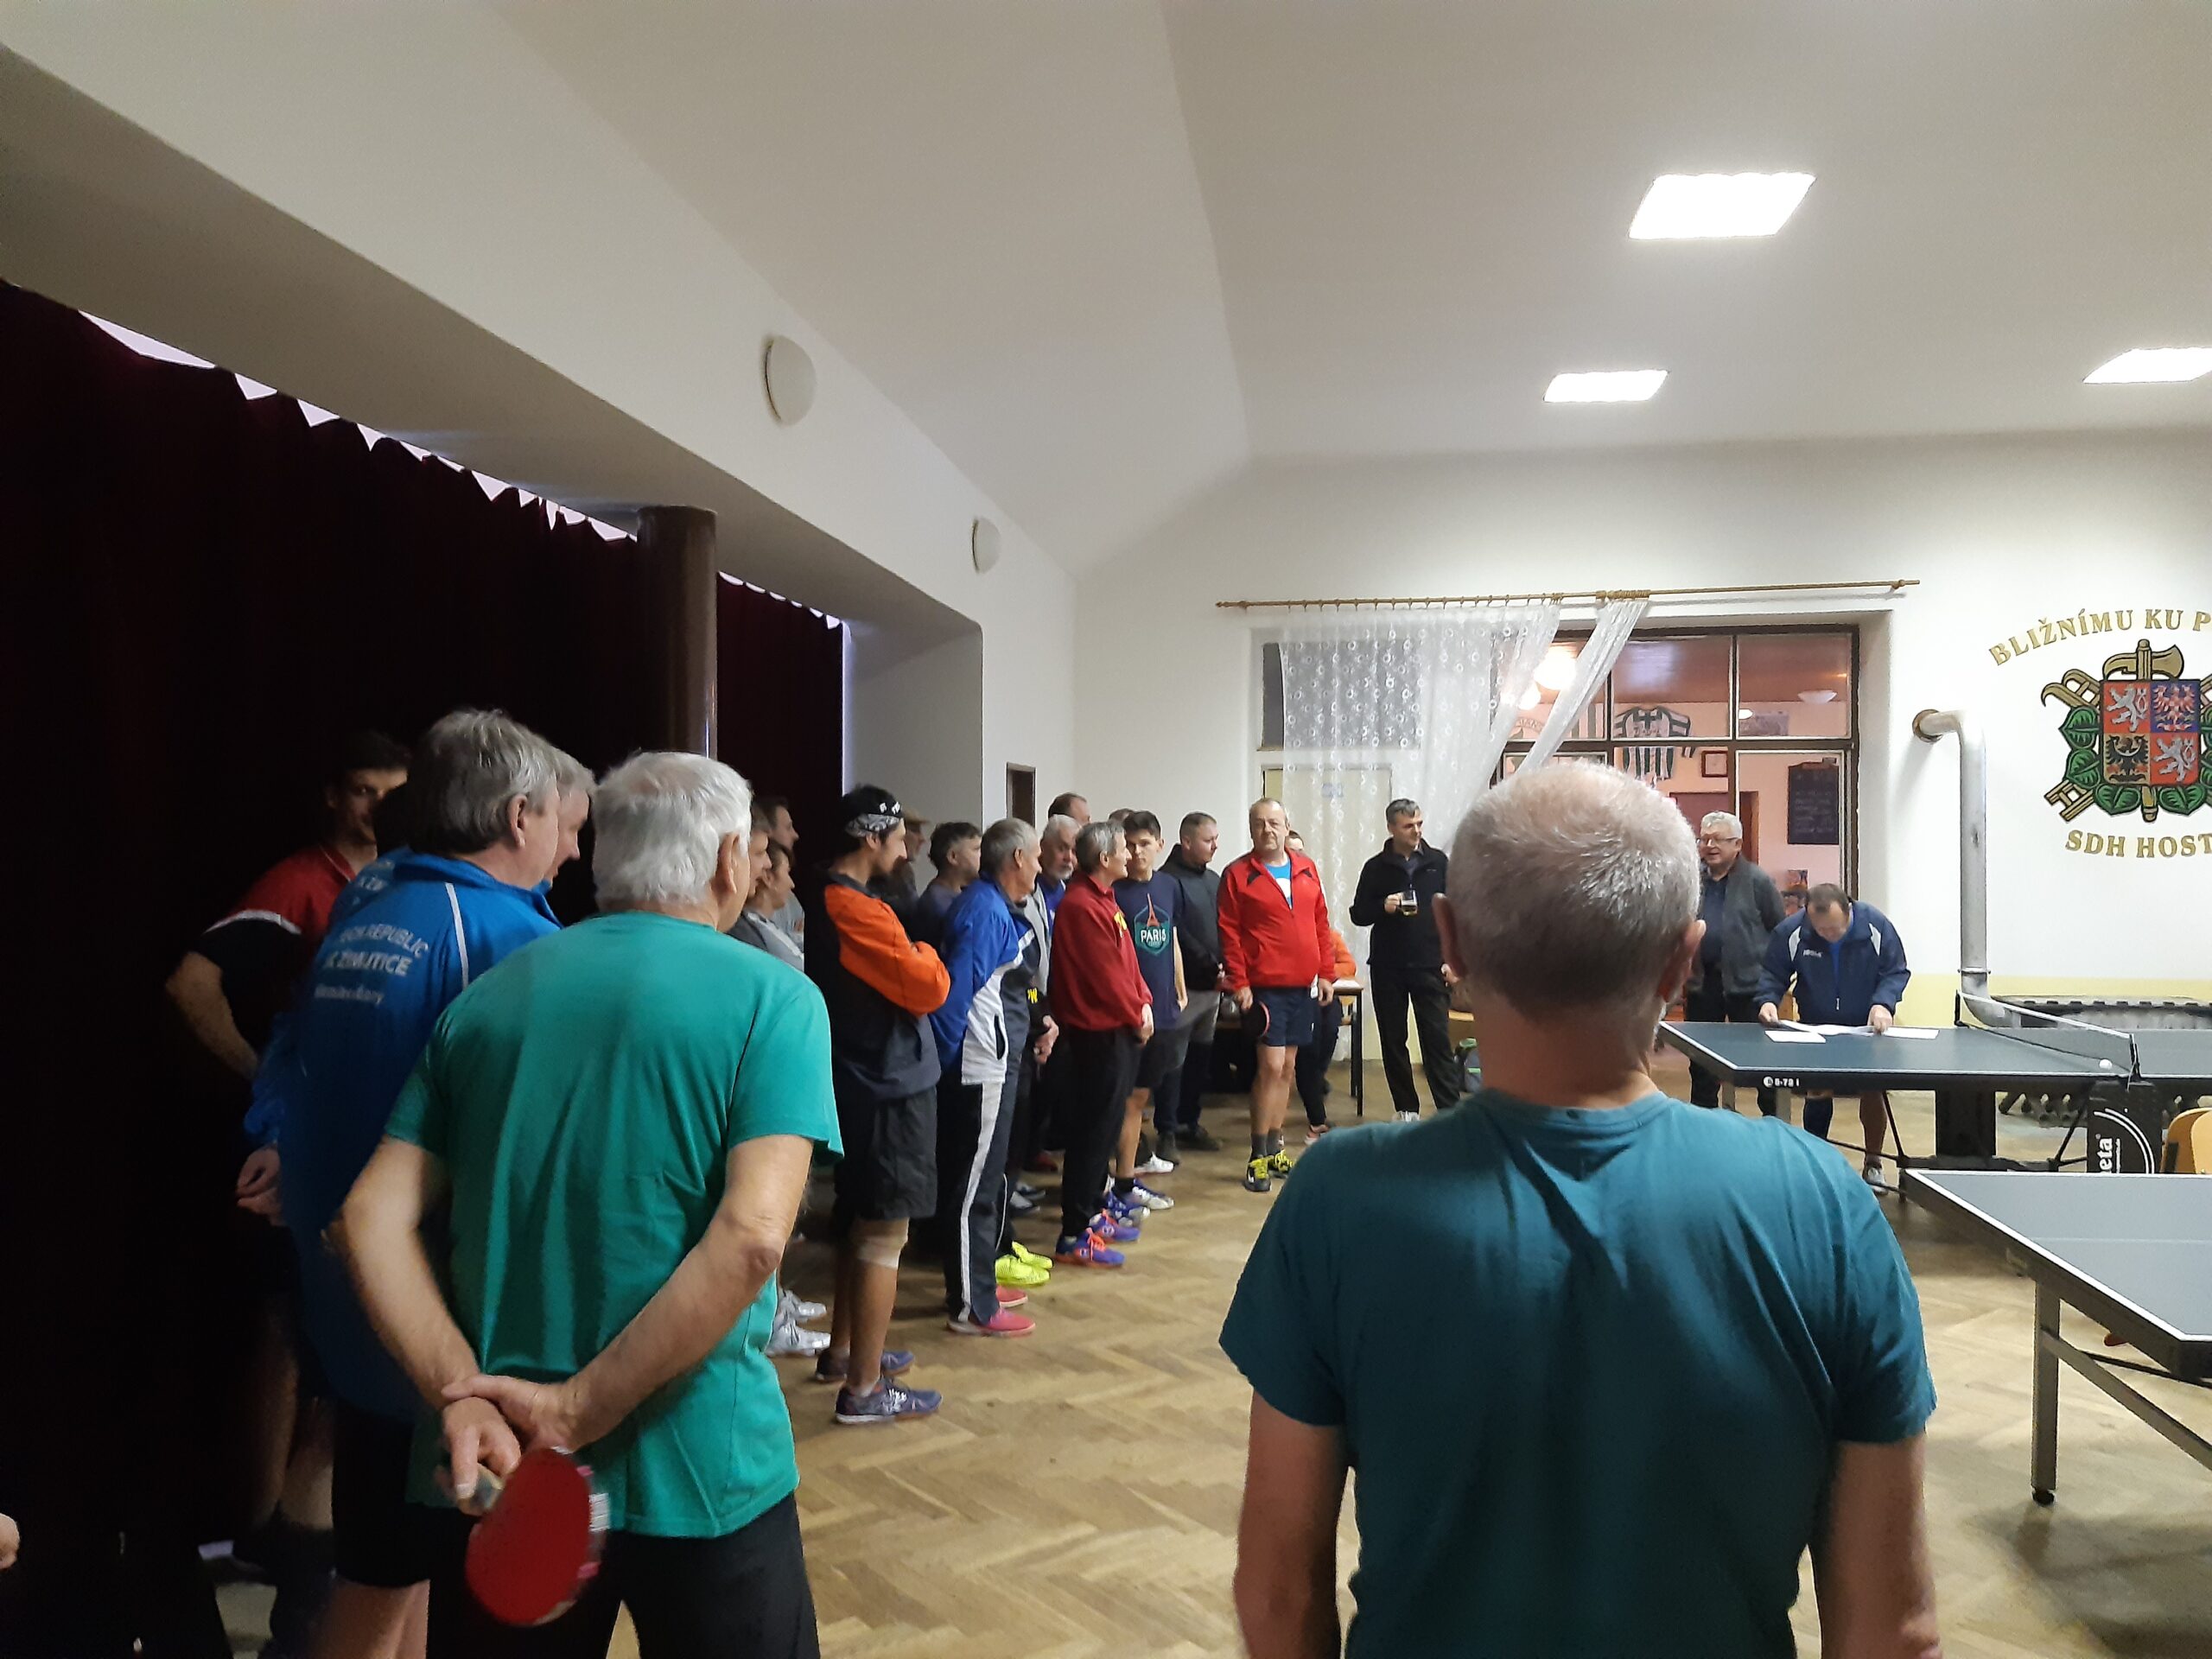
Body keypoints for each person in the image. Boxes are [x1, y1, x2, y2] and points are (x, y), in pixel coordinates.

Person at [1221, 763, 1940, 1658]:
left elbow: (1278, 1594)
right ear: (1682, 958)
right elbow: (1893, 1632)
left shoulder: (1338, 1197)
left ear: (1451, 940)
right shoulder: (1822, 1202)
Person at [339, 751, 837, 1658]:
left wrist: (459, 1395)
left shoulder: (487, 999)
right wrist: (574, 1410)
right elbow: (754, 1239)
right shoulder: (777, 999)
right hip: (705, 1467)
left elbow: (367, 1217)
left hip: (502, 1464)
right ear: (731, 859)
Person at [278, 710, 572, 1659]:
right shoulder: (502, 937)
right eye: (563, 823)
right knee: (386, 1579)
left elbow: (294, 1055)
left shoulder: (370, 903)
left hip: (348, 1292)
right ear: (519, 816)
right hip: (433, 1312)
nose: (572, 849)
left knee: (395, 1573)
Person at [804, 785, 951, 1423]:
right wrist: (927, 953)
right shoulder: (854, 907)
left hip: (869, 1077)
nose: (907, 849)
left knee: (860, 1221)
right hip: (886, 1083)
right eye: (899, 838)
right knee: (885, 1230)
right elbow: (928, 987)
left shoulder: (844, 898)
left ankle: (845, 1351)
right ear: (870, 838)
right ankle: (864, 1389)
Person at [168, 730, 411, 1084]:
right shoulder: (296, 885)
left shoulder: (411, 877)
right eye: (364, 791)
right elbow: (189, 984)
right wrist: (262, 1077)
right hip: (318, 1092)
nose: (379, 807)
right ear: (333, 797)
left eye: (394, 795)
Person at [930, 818, 1046, 1337]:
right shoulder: (983, 910)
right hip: (978, 1066)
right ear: (1017, 858)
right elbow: (956, 994)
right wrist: (942, 1061)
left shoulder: (994, 906)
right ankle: (969, 1306)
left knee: (988, 1181)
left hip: (994, 1063)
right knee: (971, 1187)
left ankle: (979, 1283)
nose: (1039, 867)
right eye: (1036, 857)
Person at [1046, 821, 1154, 1268]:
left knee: (1106, 1129)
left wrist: (1144, 1001)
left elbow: (1128, 963)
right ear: (1104, 858)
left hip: (1118, 1030)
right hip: (1097, 1036)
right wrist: (1134, 1012)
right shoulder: (1081, 905)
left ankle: (1092, 1213)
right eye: (1124, 849)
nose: (1130, 855)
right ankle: (1074, 1232)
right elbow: (1105, 976)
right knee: (1091, 1135)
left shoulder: (1104, 899)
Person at [1757, 885, 1913, 1188]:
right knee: (1817, 1090)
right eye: (1821, 930)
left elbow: (1896, 971)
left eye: (1835, 929)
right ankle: (1816, 1163)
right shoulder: (1793, 931)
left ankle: (1873, 1163)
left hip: (1866, 1026)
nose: (1828, 935)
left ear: (1848, 911)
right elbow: (1773, 973)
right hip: (1816, 1026)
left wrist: (1884, 1003)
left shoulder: (1875, 926)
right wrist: (1767, 1001)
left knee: (1872, 1092)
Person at [1216, 799, 1335, 1193]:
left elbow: (1321, 923)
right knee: (1269, 1067)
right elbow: (1229, 933)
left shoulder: (1306, 868)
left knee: (1287, 1069)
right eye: (1259, 824)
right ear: (1251, 829)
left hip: (1302, 987)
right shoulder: (1237, 875)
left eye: (1274, 823)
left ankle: (1275, 1146)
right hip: (1264, 988)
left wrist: (1327, 973)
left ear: (1287, 826)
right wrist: (1240, 982)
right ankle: (1257, 1156)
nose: (1267, 830)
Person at [1347, 798, 1459, 1121]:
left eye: (1419, 824)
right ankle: (1406, 1109)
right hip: (1388, 967)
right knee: (1394, 1041)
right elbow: (1358, 914)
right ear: (1391, 828)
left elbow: (1455, 913)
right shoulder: (1375, 867)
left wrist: (1452, 959)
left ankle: (1450, 1112)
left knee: (1436, 1040)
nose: (1416, 831)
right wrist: (1382, 906)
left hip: (1431, 964)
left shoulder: (1438, 862)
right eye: (1408, 826)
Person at [1108, 812, 1187, 1213]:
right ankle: (1117, 1180)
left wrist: (1179, 985)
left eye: (1144, 843)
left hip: (1164, 1009)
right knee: (1123, 1099)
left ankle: (1128, 1174)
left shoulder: (1169, 885)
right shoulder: (1114, 891)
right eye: (1130, 844)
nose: (1137, 852)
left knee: (1141, 1097)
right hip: (1129, 1014)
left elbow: (1170, 935)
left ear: (1159, 844)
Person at [1688, 811, 1788, 1116]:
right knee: (1702, 1065)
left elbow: (1779, 929)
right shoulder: (1692, 880)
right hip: (1703, 985)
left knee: (1761, 1064)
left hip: (1749, 987)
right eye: (1704, 839)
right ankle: (1704, 1124)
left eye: (1718, 839)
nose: (1709, 846)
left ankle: (1771, 1124)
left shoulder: (1758, 881)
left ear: (1737, 845)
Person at [1157, 811, 1227, 1158]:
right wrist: (1210, 963)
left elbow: (1224, 925)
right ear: (1186, 841)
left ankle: (1189, 1122)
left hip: (1213, 987)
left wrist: (1226, 965)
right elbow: (1177, 932)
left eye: (1216, 839)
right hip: (1182, 989)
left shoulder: (1213, 879)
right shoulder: (1166, 880)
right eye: (1207, 840)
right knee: (1174, 1062)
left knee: (1200, 1058)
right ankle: (1167, 1131)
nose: (1215, 846)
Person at [1287, 831, 1359, 1146]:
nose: (1298, 856)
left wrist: (1321, 974)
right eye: (1292, 850)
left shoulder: (1312, 891)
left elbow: (1347, 965)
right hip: (1290, 991)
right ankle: (1314, 1117)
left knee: (1329, 1029)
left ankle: (1315, 1087)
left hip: (1322, 992)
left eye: (1301, 851)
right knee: (1302, 1049)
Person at [732, 839, 804, 971]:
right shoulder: (750, 930)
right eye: (787, 872)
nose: (792, 884)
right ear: (767, 877)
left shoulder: (761, 925)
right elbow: (800, 968)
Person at [912, 820, 982, 946]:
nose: (983, 856)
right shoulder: (937, 904)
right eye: (977, 849)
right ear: (953, 857)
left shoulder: (965, 892)